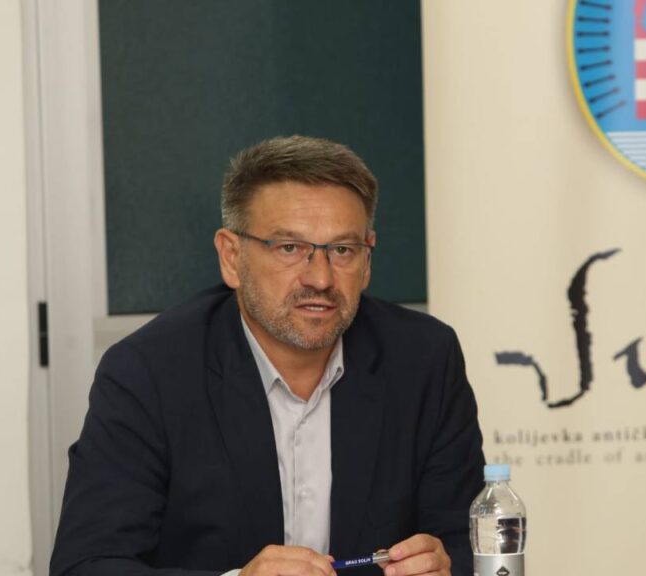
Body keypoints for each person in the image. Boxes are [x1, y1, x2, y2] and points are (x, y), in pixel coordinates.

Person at [50, 136, 485, 576]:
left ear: (367, 259)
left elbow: (472, 542)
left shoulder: (423, 359)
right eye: (290, 248)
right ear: (231, 257)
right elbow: (86, 565)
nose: (320, 279)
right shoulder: (149, 372)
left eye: (342, 250)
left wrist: (445, 565)